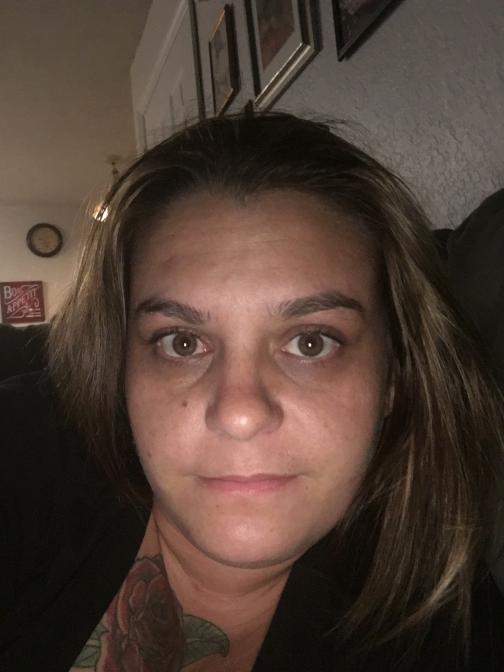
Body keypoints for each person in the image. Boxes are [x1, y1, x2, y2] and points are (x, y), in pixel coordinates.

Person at [1, 112, 503, 672]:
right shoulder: (26, 461)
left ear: (395, 375)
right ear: (120, 368)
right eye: (181, 342)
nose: (240, 413)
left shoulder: (450, 634)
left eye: (311, 342)